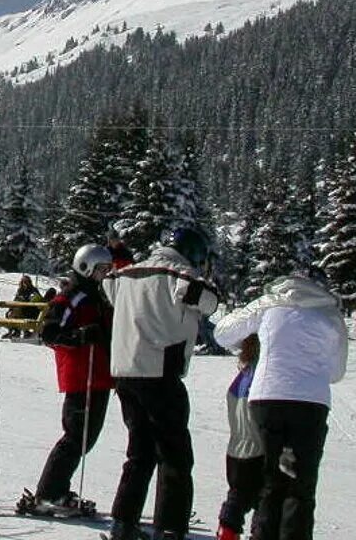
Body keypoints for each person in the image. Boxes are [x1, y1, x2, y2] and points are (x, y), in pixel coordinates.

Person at [102, 227, 220, 540]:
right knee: (175, 456)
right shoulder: (179, 274)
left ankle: (122, 524)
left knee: (139, 453)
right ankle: (169, 528)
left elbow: (108, 286)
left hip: (126, 370)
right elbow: (208, 301)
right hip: (160, 370)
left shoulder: (126, 275)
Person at [214, 269, 348, 540]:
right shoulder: (330, 312)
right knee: (299, 487)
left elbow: (223, 333)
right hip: (310, 401)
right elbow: (336, 372)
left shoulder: (269, 303)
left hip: (266, 397)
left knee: (272, 482)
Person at [21, 244, 115, 517]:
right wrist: (81, 336)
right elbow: (49, 332)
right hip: (81, 374)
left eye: (107, 270)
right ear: (85, 267)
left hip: (99, 375)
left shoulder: (97, 295)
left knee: (85, 437)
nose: (104, 275)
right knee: (76, 436)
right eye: (100, 270)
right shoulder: (72, 296)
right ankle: (49, 491)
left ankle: (56, 489)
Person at [215, 334, 265, 540]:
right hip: (258, 448)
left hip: (236, 449)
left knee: (238, 494)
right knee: (264, 497)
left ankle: (227, 530)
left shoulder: (242, 376)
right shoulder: (263, 375)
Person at [5, 274, 43, 339]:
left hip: (30, 310)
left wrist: (26, 300)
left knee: (15, 313)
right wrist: (10, 309)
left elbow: (37, 299)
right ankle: (15, 331)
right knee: (11, 313)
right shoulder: (20, 290)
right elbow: (15, 300)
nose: (25, 283)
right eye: (23, 281)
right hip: (21, 309)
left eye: (26, 281)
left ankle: (23, 331)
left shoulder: (33, 290)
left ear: (29, 282)